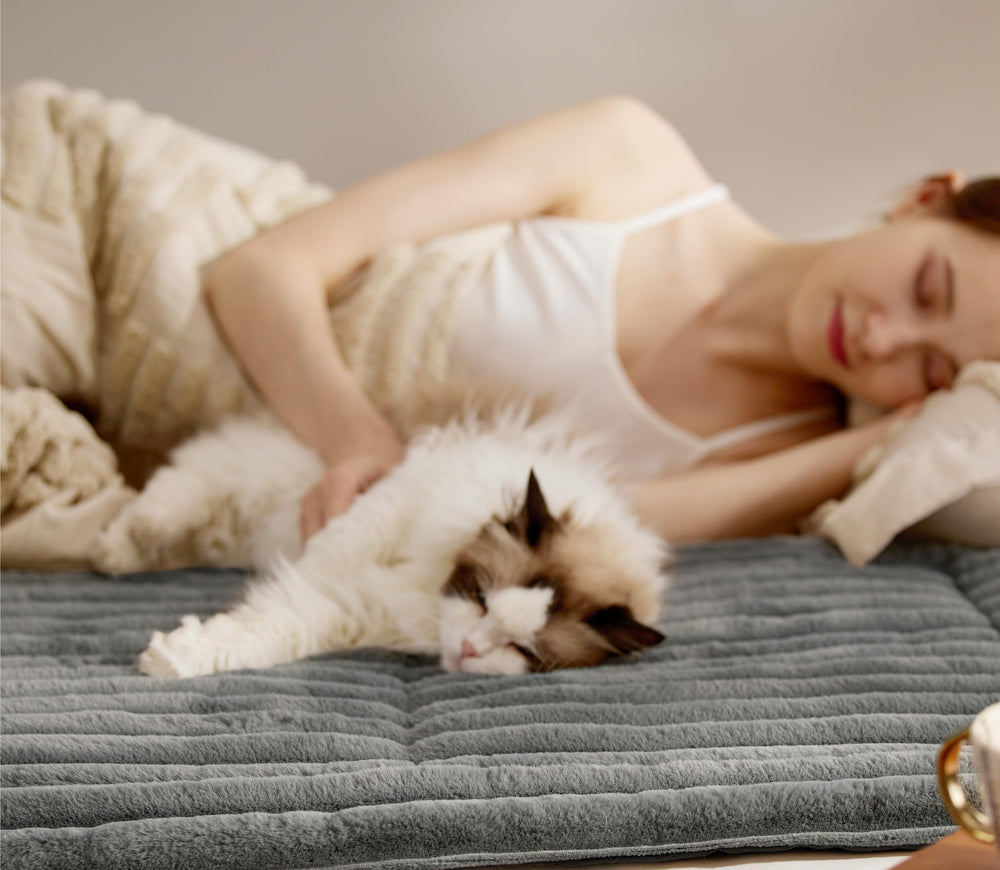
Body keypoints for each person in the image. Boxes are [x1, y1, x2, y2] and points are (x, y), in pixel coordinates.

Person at [196, 97, 1000, 544]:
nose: (883, 339)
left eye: (927, 369)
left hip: (192, 463)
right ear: (922, 198)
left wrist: (878, 440)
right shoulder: (629, 158)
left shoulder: (776, 453)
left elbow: (588, 534)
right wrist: (356, 441)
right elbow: (260, 270)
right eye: (927, 289)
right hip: (177, 252)